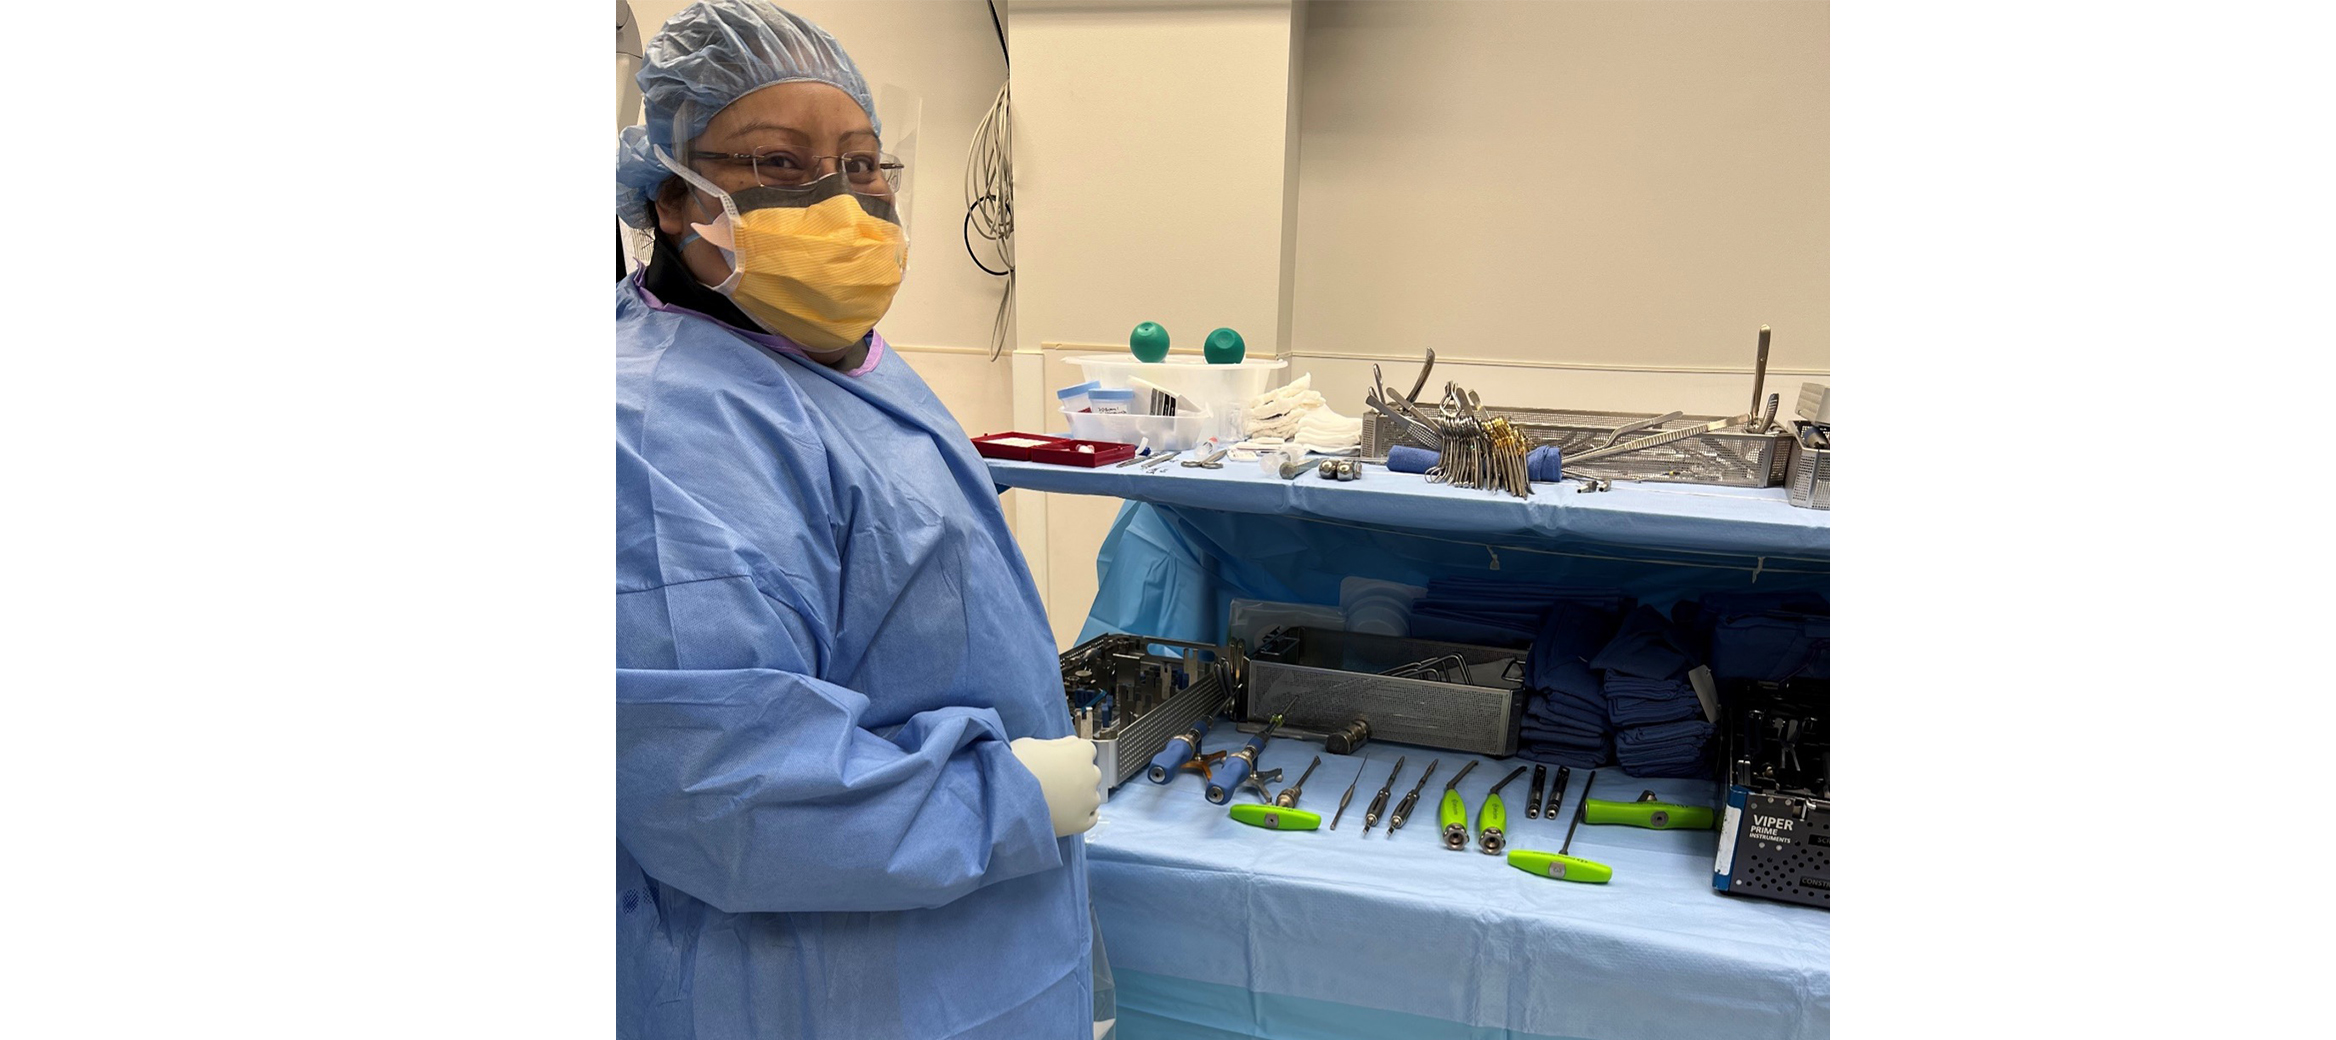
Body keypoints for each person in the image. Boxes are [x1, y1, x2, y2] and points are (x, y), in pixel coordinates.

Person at [613, 4, 1110, 1038]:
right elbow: (722, 790)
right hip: (812, 984)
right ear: (671, 197)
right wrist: (1008, 798)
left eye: (864, 162)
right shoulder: (657, 430)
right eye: (779, 165)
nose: (841, 198)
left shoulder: (840, 363)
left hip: (956, 945)